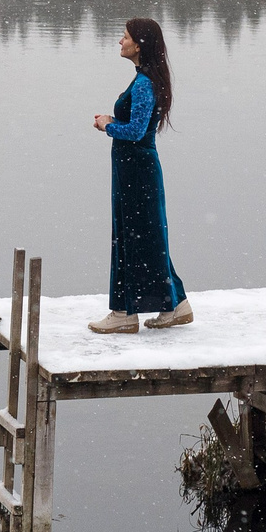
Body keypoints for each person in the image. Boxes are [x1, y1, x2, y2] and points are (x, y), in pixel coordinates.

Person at [89, 17, 193, 334]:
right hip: (134, 168)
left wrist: (107, 124)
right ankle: (176, 305)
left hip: (137, 169)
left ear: (139, 44)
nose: (120, 42)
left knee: (132, 235)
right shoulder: (144, 79)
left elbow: (135, 131)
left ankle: (123, 312)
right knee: (147, 236)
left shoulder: (145, 83)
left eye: (125, 37)